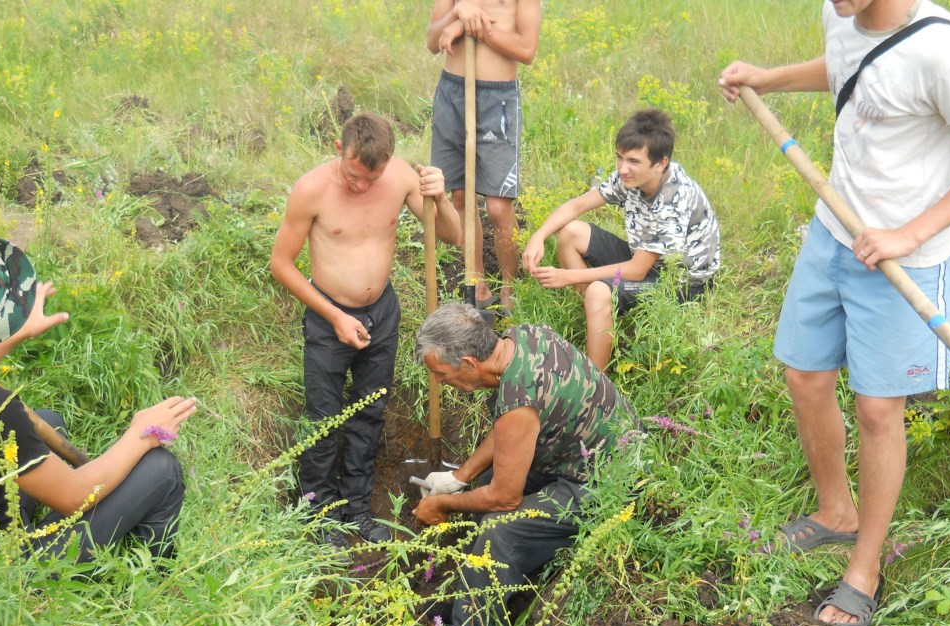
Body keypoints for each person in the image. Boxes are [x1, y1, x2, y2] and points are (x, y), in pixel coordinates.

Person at [718, 0, 950, 626]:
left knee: (879, 410)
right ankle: (835, 513)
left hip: (909, 257)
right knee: (805, 375)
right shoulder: (841, 12)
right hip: (834, 231)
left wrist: (908, 233)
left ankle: (865, 566)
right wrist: (767, 77)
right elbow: (848, 66)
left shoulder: (940, 50)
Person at [0, 232, 195, 564]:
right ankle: (151, 575)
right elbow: (76, 496)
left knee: (49, 424)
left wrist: (19, 334)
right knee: (160, 468)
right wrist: (141, 433)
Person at [270, 113, 461, 547]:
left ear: (388, 162)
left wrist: (442, 199)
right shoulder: (312, 190)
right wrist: (335, 316)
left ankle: (357, 507)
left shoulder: (400, 178)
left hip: (382, 313)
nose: (361, 187)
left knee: (370, 411)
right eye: (354, 175)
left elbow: (451, 237)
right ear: (341, 150)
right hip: (328, 316)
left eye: (370, 180)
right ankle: (320, 512)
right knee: (323, 417)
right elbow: (280, 264)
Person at [413, 302, 641, 626]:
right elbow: (510, 431)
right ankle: (485, 591)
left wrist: (442, 505)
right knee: (485, 483)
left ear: (469, 363)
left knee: (498, 530)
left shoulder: (519, 397)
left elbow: (505, 498)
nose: (440, 382)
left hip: (609, 486)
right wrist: (458, 479)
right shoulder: (524, 338)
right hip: (578, 457)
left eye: (442, 374)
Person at [522, 109, 720, 370]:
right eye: (619, 157)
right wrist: (538, 236)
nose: (623, 168)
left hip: (677, 283)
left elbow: (637, 271)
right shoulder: (632, 176)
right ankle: (598, 313)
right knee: (570, 232)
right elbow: (577, 205)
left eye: (634, 161)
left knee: (597, 288)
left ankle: (594, 388)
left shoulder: (673, 199)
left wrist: (568, 276)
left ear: (661, 163)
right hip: (645, 259)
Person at [427, 0, 542, 309]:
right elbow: (431, 42)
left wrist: (471, 25)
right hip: (453, 92)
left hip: (498, 99)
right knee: (461, 197)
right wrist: (457, 12)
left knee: (498, 208)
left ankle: (509, 289)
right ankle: (476, 284)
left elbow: (526, 49)